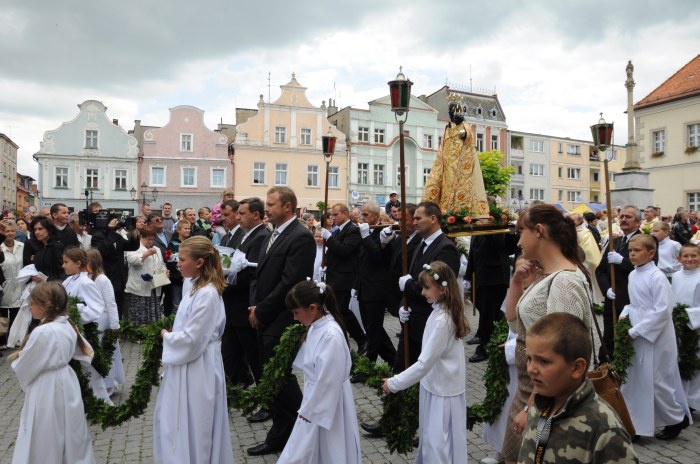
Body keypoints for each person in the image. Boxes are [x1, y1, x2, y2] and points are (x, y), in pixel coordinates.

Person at [503, 204, 592, 464]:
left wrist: (533, 406)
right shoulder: (545, 274)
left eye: (522, 232)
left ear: (539, 231)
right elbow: (514, 323)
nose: (518, 241)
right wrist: (517, 283)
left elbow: (564, 354)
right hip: (530, 388)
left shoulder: (564, 281)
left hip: (546, 396)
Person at [247, 187, 315, 456]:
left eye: (272, 204)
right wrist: (255, 306)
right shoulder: (271, 234)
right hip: (265, 314)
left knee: (280, 378)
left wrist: (262, 310)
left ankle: (301, 426)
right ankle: (286, 431)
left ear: (287, 207)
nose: (267, 208)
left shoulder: (300, 237)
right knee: (271, 377)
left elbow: (290, 282)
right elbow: (259, 274)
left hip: (284, 318)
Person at [153, 236, 234, 463]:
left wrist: (167, 336)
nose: (177, 263)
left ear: (199, 262)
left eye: (183, 259)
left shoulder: (207, 293)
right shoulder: (193, 284)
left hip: (199, 365)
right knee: (177, 417)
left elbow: (194, 338)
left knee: (197, 421)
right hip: (187, 361)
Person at [518, 312, 638, 463]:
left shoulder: (605, 429)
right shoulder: (540, 404)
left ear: (577, 368)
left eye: (543, 361)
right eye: (529, 358)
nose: (531, 369)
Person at [382, 261, 469, 463]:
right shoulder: (440, 311)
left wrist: (394, 383)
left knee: (438, 445)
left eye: (427, 288)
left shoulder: (442, 320)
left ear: (443, 289)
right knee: (431, 441)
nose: (422, 293)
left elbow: (424, 363)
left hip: (443, 392)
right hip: (434, 386)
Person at [8, 282, 96, 464]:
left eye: (31, 303)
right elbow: (84, 352)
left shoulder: (43, 332)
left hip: (46, 386)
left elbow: (26, 364)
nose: (29, 307)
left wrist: (20, 362)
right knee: (70, 430)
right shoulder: (67, 325)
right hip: (67, 382)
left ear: (44, 305)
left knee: (44, 432)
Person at [277, 279, 362, 464]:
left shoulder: (331, 334)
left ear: (313, 308)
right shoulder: (316, 326)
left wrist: (311, 411)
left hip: (326, 403)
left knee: (326, 450)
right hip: (315, 398)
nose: (294, 318)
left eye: (296, 312)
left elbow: (329, 379)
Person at [620, 234, 691, 440]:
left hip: (656, 335)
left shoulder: (656, 277)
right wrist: (625, 316)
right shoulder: (634, 274)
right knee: (636, 381)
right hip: (638, 331)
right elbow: (634, 303)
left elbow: (662, 311)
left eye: (637, 251)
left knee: (658, 381)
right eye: (631, 251)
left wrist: (636, 330)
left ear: (651, 253)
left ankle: (676, 418)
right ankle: (636, 425)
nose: (632, 254)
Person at [423, 98, 489, 217]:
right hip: (448, 165)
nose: (451, 114)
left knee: (459, 188)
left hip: (460, 165)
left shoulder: (464, 126)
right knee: (446, 188)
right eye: (449, 111)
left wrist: (464, 132)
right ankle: (445, 211)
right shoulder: (447, 128)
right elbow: (443, 146)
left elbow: (468, 135)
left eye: (452, 111)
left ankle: (458, 212)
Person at [62, 247, 112, 405]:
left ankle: (101, 401)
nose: (63, 266)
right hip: (69, 329)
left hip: (82, 330)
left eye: (66, 262)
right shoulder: (68, 280)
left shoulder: (86, 282)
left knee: (89, 368)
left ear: (78, 263)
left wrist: (76, 310)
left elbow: (96, 307)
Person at [595, 205, 642, 360]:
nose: (623, 219)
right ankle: (605, 374)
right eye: (621, 216)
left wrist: (623, 261)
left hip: (631, 301)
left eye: (628, 217)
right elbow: (600, 270)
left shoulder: (646, 241)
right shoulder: (614, 242)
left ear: (638, 222)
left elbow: (645, 269)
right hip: (612, 300)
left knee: (626, 342)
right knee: (608, 339)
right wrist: (606, 288)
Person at [321, 203, 366, 354]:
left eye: (335, 214)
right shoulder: (338, 230)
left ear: (345, 214)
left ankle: (360, 338)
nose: (332, 217)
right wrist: (326, 264)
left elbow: (345, 251)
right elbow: (334, 252)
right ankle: (349, 341)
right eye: (332, 215)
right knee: (338, 310)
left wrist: (329, 238)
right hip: (334, 276)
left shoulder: (353, 230)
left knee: (340, 310)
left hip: (344, 278)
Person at [86, 249, 124, 395]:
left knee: (107, 352)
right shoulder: (90, 279)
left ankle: (109, 383)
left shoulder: (103, 280)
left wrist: (115, 324)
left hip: (104, 321)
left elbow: (111, 303)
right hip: (95, 321)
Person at [672, 243, 700, 411]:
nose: (690, 259)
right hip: (678, 325)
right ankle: (681, 397)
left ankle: (693, 402)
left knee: (695, 363)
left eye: (694, 255)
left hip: (695, 326)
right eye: (686, 256)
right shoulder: (676, 276)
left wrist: (688, 316)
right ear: (679, 259)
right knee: (680, 360)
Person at [125, 227, 167, 325]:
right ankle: (138, 335)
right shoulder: (133, 247)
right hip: (139, 287)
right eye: (148, 239)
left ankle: (152, 335)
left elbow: (161, 264)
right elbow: (132, 260)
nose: (151, 242)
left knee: (153, 312)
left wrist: (165, 271)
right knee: (139, 313)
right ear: (141, 237)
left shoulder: (156, 249)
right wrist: (147, 254)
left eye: (152, 239)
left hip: (154, 286)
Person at [0, 222, 23, 349]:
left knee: (16, 311)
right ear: (3, 233)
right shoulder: (0, 247)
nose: (10, 234)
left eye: (12, 231)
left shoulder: (22, 246)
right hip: (5, 283)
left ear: (16, 232)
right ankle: (3, 340)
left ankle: (14, 338)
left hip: (18, 284)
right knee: (3, 313)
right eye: (7, 231)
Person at [165, 220, 191, 314]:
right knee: (176, 304)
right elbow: (169, 262)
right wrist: (181, 275)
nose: (188, 230)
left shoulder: (191, 244)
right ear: (178, 230)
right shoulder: (172, 244)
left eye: (189, 228)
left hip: (189, 279)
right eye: (185, 228)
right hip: (177, 280)